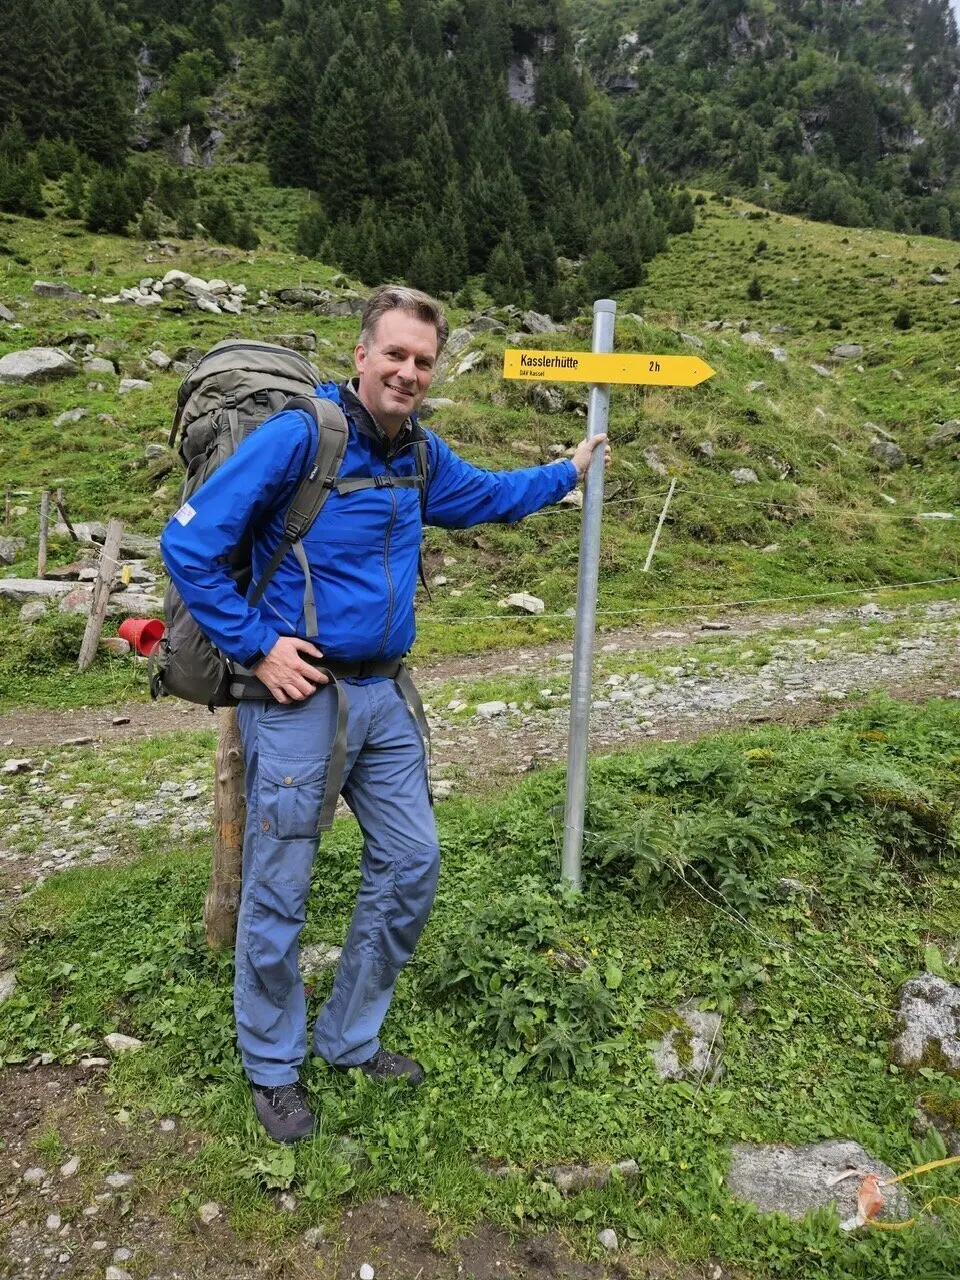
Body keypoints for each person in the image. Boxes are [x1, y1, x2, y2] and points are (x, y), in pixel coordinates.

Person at [160, 285, 610, 1143]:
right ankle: (272, 1065)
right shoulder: (302, 438)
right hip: (299, 698)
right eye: (394, 354)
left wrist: (568, 474)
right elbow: (188, 543)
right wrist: (258, 647)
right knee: (281, 887)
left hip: (386, 694)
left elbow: (486, 497)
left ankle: (348, 1038)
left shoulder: (420, 457)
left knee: (412, 863)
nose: (407, 372)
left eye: (423, 361)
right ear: (361, 355)